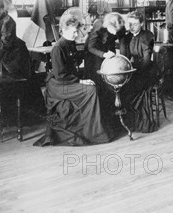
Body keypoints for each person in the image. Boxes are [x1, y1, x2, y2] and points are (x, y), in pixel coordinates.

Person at [34, 13, 113, 146]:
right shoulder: (58, 47)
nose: (76, 34)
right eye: (74, 31)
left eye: (77, 31)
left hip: (67, 81)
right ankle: (94, 133)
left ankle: (91, 130)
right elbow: (61, 75)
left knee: (94, 86)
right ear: (63, 30)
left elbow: (75, 62)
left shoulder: (70, 43)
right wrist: (81, 81)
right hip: (58, 85)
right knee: (90, 90)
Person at [0, 0, 45, 117]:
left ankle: (33, 115)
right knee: (8, 86)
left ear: (2, 9)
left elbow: (6, 44)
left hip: (17, 56)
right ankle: (10, 116)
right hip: (6, 54)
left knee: (23, 84)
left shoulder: (8, 21)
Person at [119, 11, 157, 133]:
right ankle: (128, 122)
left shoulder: (148, 36)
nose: (131, 27)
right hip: (133, 69)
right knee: (122, 86)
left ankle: (140, 123)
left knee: (136, 86)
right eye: (129, 24)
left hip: (147, 69)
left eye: (135, 24)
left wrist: (134, 72)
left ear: (141, 23)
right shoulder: (125, 37)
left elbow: (146, 61)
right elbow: (124, 58)